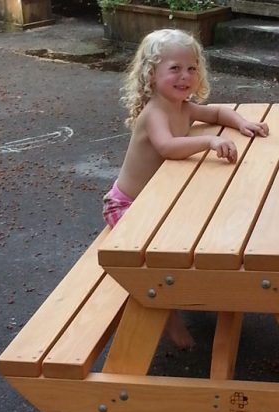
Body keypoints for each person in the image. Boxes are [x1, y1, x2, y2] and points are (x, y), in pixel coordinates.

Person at [102, 28, 269, 349]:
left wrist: (241, 122)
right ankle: (168, 317)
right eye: (174, 69)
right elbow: (167, 147)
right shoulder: (155, 112)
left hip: (158, 201)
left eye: (191, 68)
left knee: (202, 224)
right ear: (151, 75)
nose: (185, 76)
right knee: (162, 256)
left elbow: (218, 112)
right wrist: (209, 140)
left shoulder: (183, 106)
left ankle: (202, 291)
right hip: (127, 207)